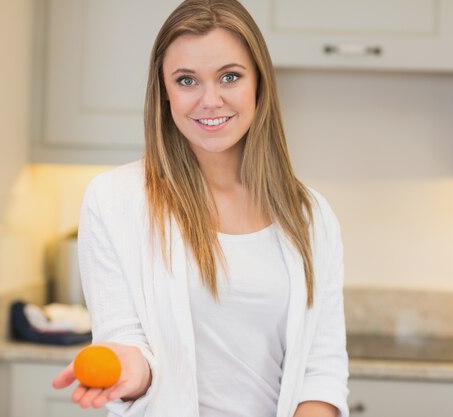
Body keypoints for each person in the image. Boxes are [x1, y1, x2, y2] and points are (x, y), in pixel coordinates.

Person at [51, 0, 349, 416]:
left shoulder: (311, 216)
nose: (210, 100)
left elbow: (321, 370)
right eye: (187, 80)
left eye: (230, 76)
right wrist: (127, 370)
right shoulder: (115, 200)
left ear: (259, 83)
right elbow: (125, 339)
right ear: (165, 92)